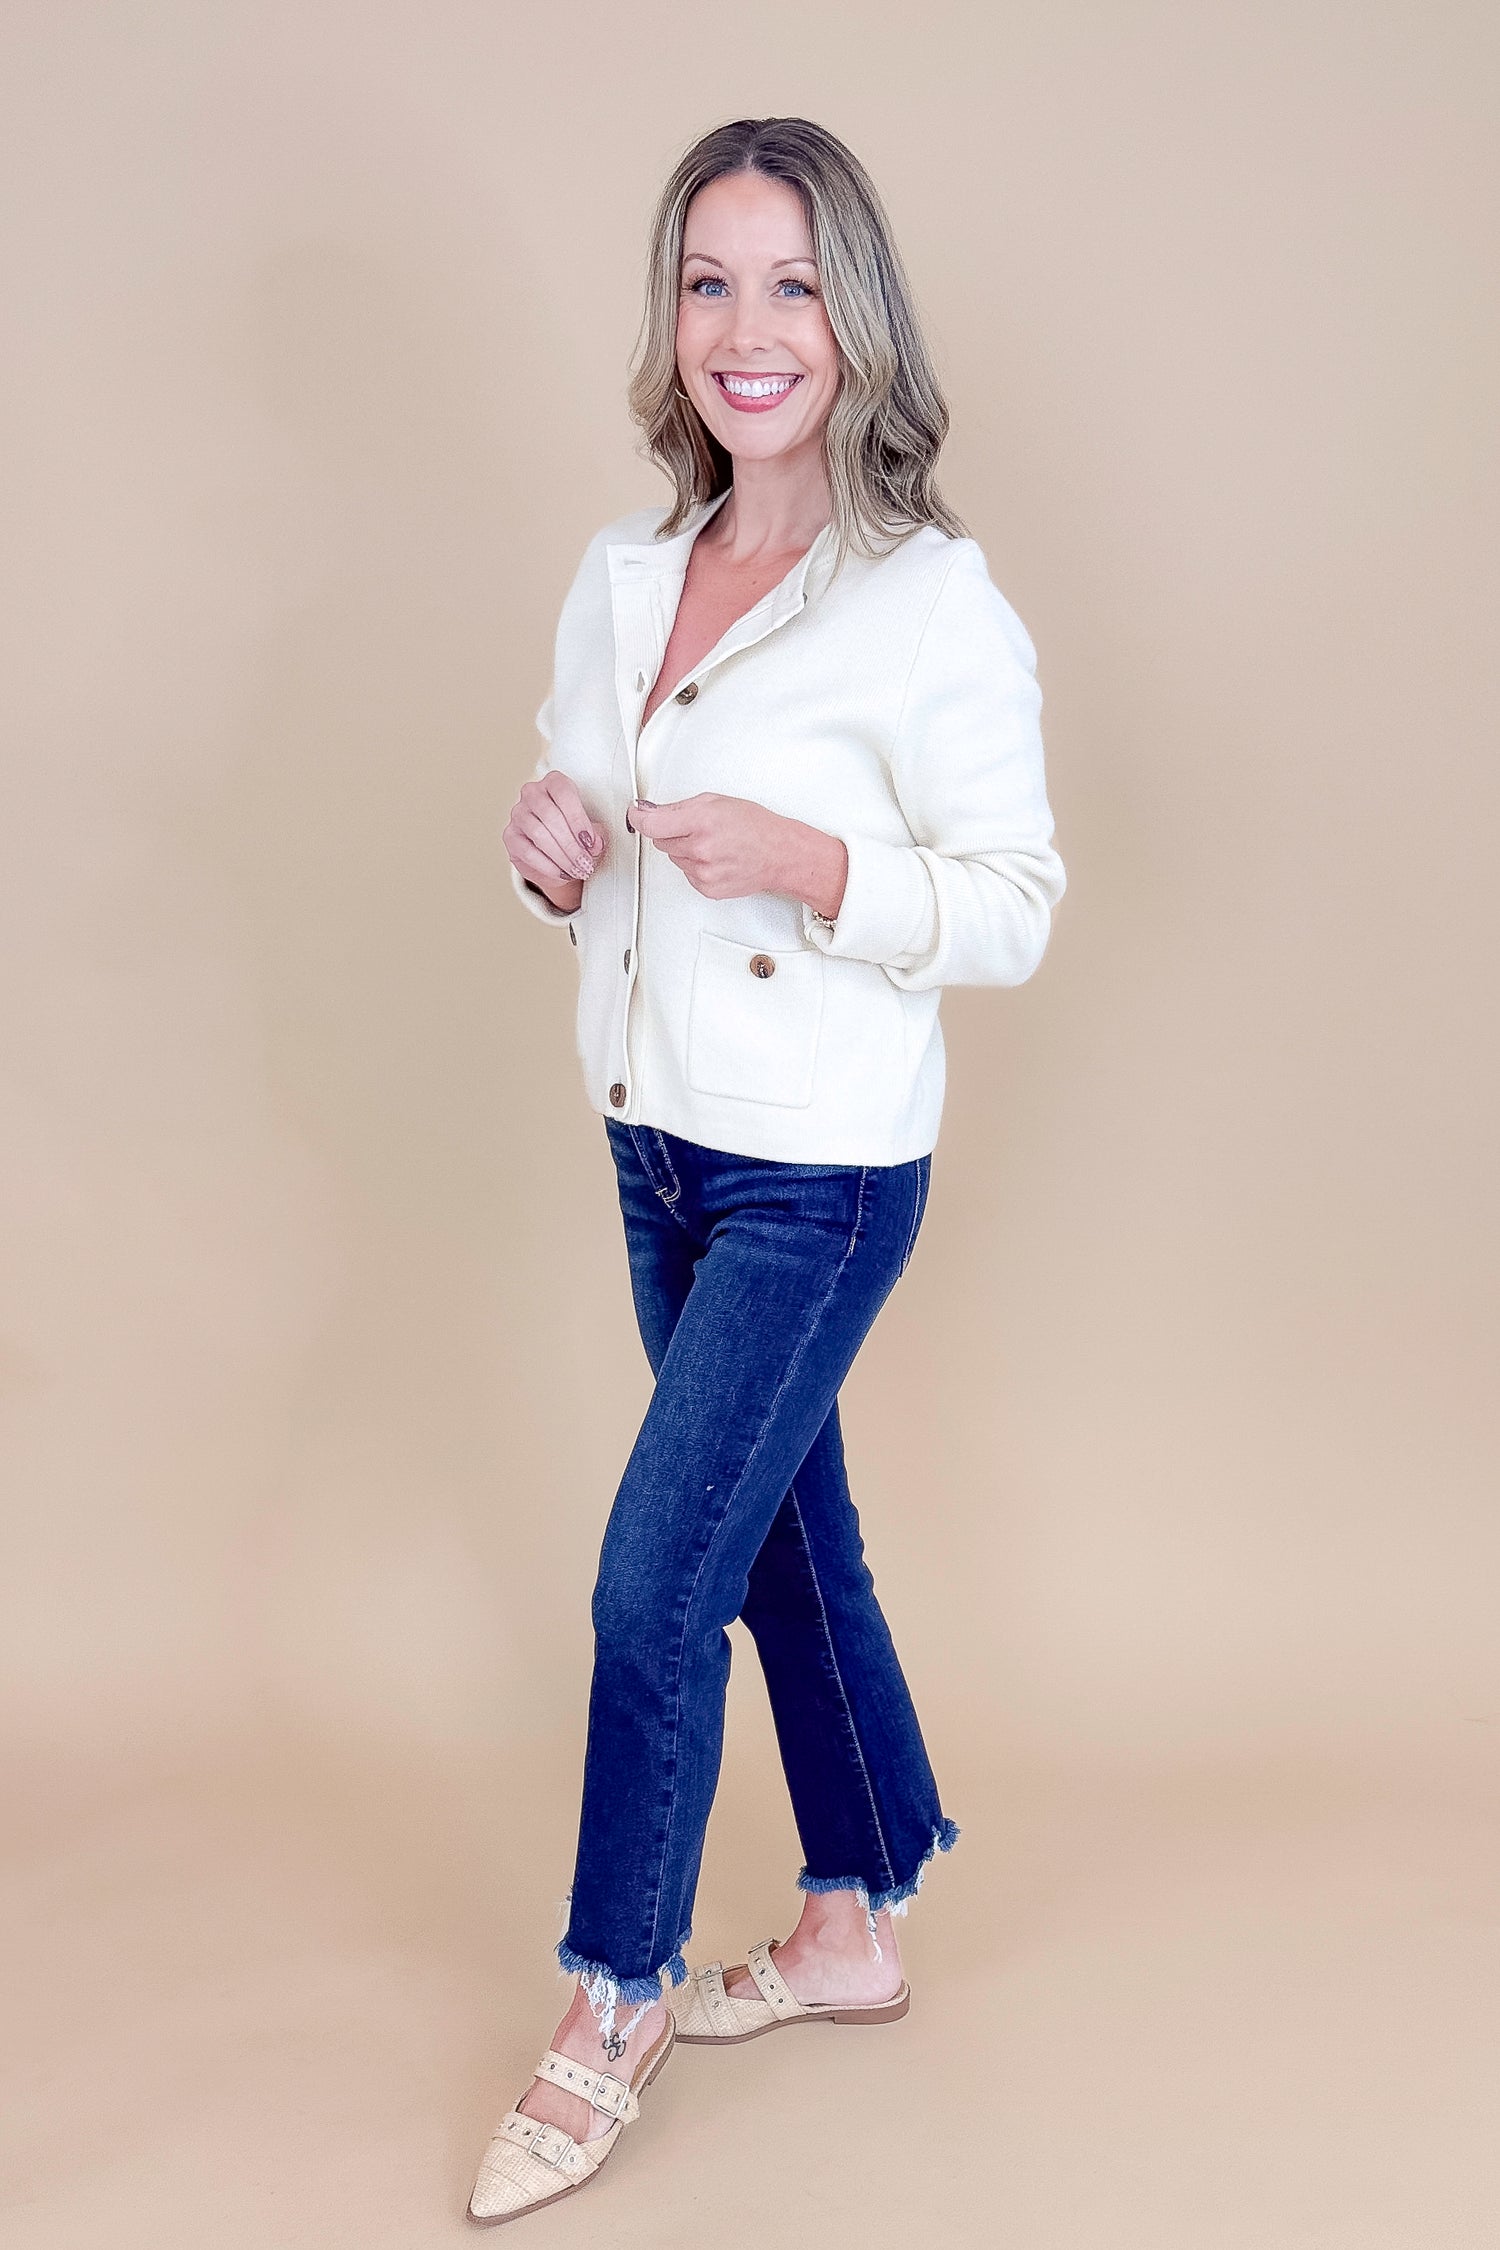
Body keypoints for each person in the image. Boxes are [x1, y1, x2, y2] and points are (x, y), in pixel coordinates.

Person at [467, 114, 1066, 2226]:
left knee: (661, 1579)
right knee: (790, 1544)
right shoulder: (625, 576)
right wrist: (553, 867)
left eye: (793, 284)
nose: (747, 329)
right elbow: (587, 835)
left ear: (857, 321)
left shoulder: (927, 602)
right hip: (655, 1150)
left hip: (817, 1177)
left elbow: (1012, 904)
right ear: (672, 321)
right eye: (709, 283)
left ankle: (610, 1987)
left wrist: (818, 865)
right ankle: (849, 1926)